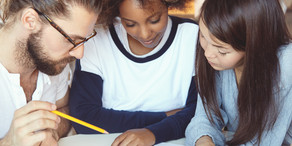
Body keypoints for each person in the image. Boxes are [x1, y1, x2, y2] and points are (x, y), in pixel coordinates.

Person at [69, 0, 199, 145]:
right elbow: (84, 118)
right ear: (116, 12)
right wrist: (167, 117)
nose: (145, 34)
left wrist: (153, 133)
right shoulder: (97, 39)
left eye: (154, 20)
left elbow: (201, 112)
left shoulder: (191, 35)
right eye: (130, 24)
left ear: (168, 4)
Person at [185, 0, 292, 145]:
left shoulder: (286, 64)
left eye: (222, 50)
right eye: (203, 36)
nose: (208, 53)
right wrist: (204, 140)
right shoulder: (216, 60)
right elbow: (203, 118)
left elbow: (265, 141)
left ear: (255, 43)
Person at [0, 0, 103, 145]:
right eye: (71, 40)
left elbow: (63, 108)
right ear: (30, 21)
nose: (80, 54)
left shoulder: (53, 62)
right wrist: (8, 143)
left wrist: (53, 132)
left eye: (84, 40)